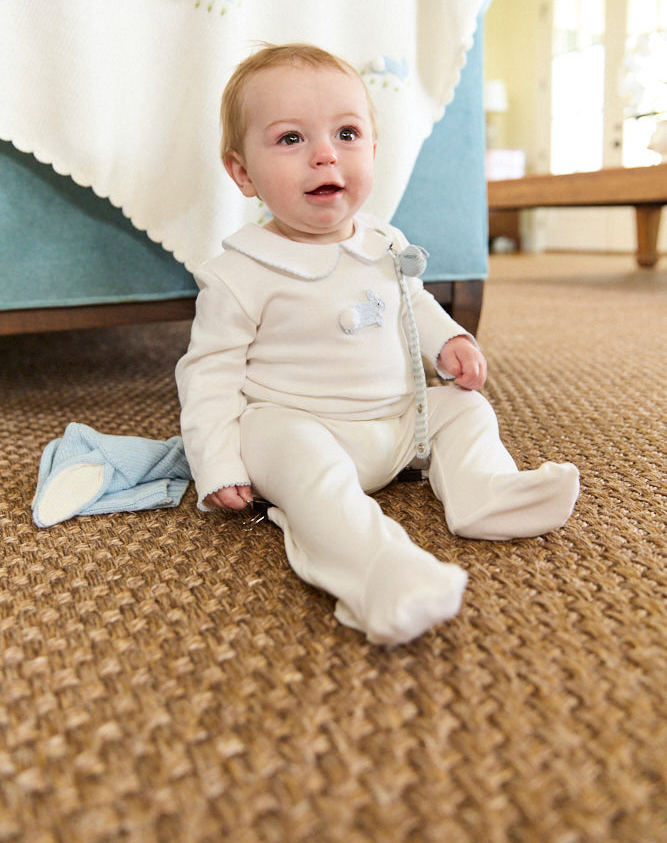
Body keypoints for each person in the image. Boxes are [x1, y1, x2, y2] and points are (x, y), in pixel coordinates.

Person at [176, 43, 579, 646]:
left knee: (464, 407)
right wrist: (217, 462)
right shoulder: (240, 272)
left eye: (346, 134)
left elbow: (412, 302)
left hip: (397, 423)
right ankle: (378, 570)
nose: (324, 154)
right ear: (243, 173)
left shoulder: (384, 242)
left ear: (372, 150)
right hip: (301, 426)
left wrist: (449, 340)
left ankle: (484, 491)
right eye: (291, 139)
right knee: (304, 468)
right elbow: (207, 374)